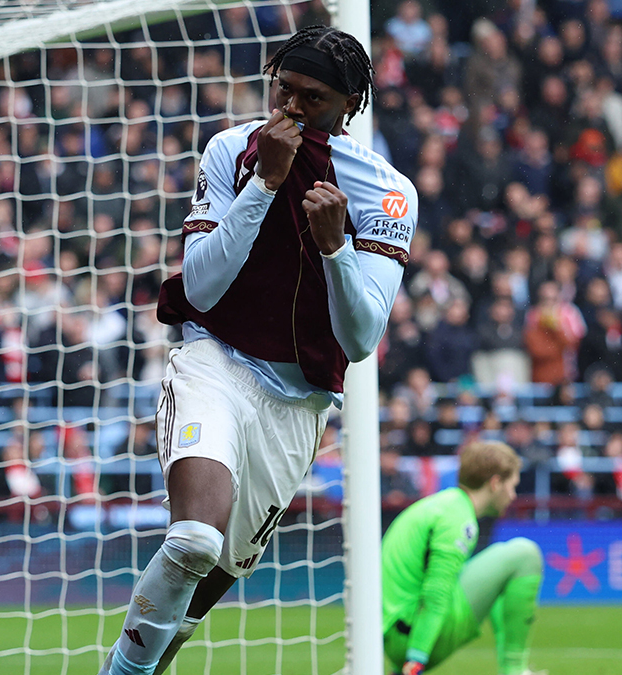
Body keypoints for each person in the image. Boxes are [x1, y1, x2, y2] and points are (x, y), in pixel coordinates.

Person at [99, 25, 416, 675]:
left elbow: (360, 339)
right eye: (284, 91)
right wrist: (264, 186)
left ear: (351, 104)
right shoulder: (231, 150)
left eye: (314, 99)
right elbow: (204, 288)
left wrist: (336, 248)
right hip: (216, 358)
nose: (293, 109)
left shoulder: (388, 193)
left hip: (297, 402)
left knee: (195, 600)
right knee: (192, 538)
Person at [381, 441, 545, 675]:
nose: (513, 495)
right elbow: (436, 593)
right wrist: (416, 659)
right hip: (411, 637)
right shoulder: (458, 520)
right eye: (511, 486)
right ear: (495, 483)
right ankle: (515, 670)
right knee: (525, 554)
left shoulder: (444, 504)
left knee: (500, 570)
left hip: (394, 632)